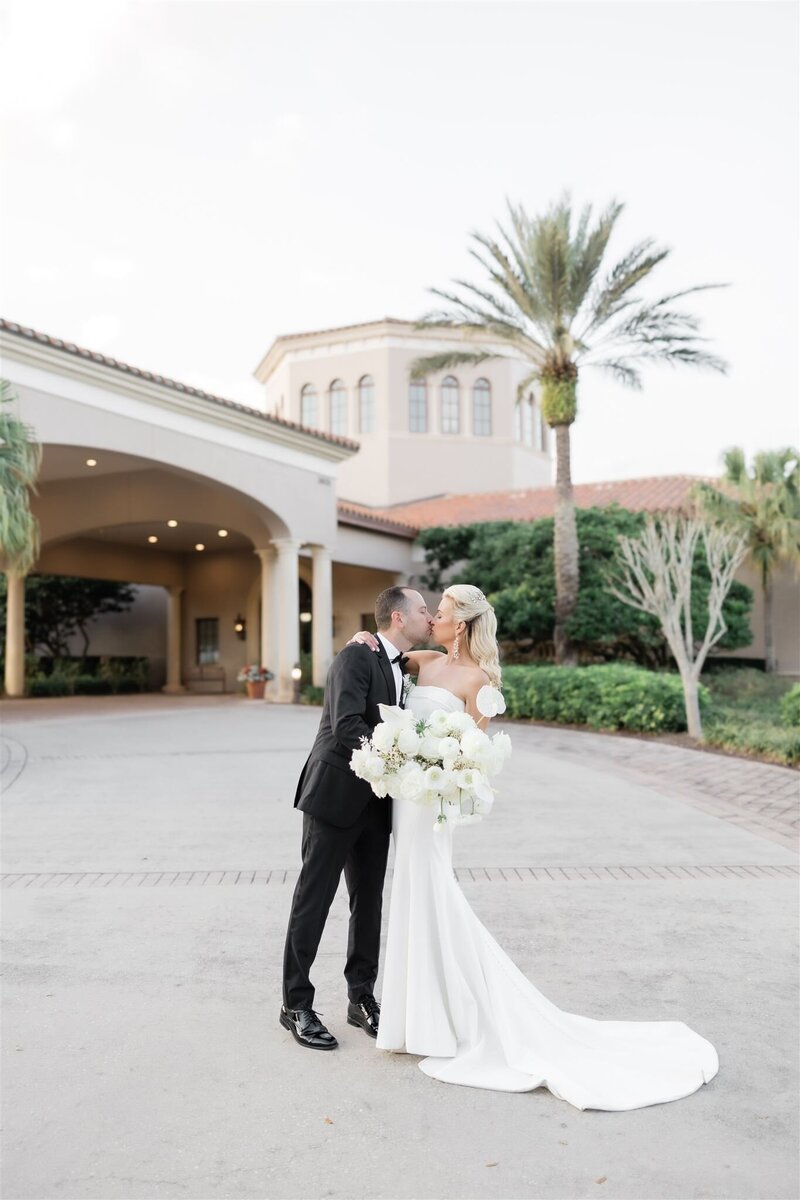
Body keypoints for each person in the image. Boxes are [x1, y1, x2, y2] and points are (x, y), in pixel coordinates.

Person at [346, 583, 719, 1111]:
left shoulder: (480, 681)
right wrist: (363, 635)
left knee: (430, 890)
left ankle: (442, 1019)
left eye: (443, 612)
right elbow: (384, 653)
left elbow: (470, 754)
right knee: (406, 890)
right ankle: (415, 1019)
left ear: (464, 624)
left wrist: (438, 768)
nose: (433, 618)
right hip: (404, 797)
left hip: (431, 803)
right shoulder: (421, 660)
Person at [280, 586, 433, 1051]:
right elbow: (347, 725)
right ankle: (295, 1004)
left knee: (367, 904)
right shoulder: (355, 656)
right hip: (335, 796)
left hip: (377, 802)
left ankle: (360, 997)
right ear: (399, 618)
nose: (429, 616)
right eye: (423, 610)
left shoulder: (403, 664)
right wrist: (404, 755)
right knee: (315, 899)